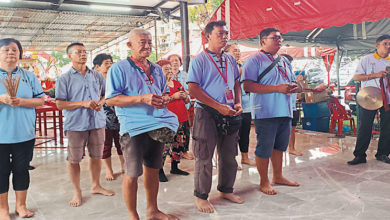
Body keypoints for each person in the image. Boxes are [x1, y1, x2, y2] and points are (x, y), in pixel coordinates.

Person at [105, 28, 179, 220]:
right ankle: (132, 215)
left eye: (149, 42)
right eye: (142, 42)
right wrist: (142, 98)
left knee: (153, 170)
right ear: (129, 45)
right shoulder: (118, 69)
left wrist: (164, 100)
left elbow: (162, 93)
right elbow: (111, 100)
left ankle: (152, 210)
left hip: (157, 124)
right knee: (132, 174)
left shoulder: (156, 69)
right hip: (133, 128)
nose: (147, 46)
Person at [187, 20, 244, 213]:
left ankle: (226, 189)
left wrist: (238, 102)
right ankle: (201, 196)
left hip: (229, 111)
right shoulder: (199, 60)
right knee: (204, 155)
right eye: (220, 34)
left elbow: (236, 82)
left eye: (226, 34)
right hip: (206, 112)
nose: (224, 37)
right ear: (208, 36)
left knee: (229, 154)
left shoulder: (230, 59)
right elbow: (193, 88)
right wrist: (218, 106)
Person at [242, 28, 300, 195]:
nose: (279, 40)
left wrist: (294, 87)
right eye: (274, 38)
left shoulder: (284, 61)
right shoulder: (254, 61)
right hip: (265, 111)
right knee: (264, 148)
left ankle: (278, 176)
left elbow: (292, 80)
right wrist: (277, 88)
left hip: (285, 110)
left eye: (280, 37)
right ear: (262, 41)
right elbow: (248, 85)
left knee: (280, 147)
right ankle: (264, 181)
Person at [55, 43, 114, 207]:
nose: (83, 54)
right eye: (78, 52)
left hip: (97, 122)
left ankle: (96, 185)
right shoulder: (64, 78)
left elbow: (105, 95)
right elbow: (60, 104)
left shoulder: (97, 76)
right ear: (70, 56)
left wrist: (101, 103)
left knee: (96, 155)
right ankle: (77, 192)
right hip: (76, 124)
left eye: (84, 51)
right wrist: (83, 103)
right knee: (74, 159)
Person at [0, 38, 45, 219]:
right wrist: (2, 99)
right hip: (0, 136)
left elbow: (40, 100)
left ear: (19, 54)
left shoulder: (28, 76)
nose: (11, 53)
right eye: (6, 50)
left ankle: (21, 205)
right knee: (0, 172)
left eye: (14, 50)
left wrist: (21, 102)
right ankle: (3, 209)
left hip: (24, 134)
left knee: (21, 170)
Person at [347, 35, 390, 165]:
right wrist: (375, 75)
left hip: (387, 97)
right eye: (385, 44)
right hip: (369, 97)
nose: (388, 47)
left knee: (387, 127)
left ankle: (383, 153)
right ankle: (360, 155)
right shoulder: (366, 59)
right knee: (365, 126)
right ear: (377, 45)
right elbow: (356, 77)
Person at [156, 59, 190, 182]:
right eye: (166, 69)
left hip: (181, 119)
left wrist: (185, 97)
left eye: (170, 69)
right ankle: (159, 170)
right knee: (165, 146)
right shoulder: (158, 85)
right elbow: (159, 101)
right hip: (167, 121)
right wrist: (173, 97)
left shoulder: (176, 83)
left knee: (179, 144)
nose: (170, 71)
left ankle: (175, 167)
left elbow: (186, 100)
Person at [93, 53, 125, 181]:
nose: (109, 65)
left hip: (120, 116)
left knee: (122, 143)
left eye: (111, 63)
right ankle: (109, 169)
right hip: (103, 119)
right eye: (106, 63)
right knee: (105, 145)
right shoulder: (95, 81)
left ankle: (124, 165)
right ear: (97, 67)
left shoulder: (117, 78)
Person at [224, 43, 256, 167]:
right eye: (234, 51)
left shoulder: (242, 65)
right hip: (231, 105)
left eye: (238, 51)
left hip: (246, 105)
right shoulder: (226, 66)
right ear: (226, 53)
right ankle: (233, 160)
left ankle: (245, 157)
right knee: (232, 134)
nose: (237, 53)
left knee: (245, 132)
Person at [168, 54, 194, 160]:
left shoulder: (185, 75)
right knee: (170, 132)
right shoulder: (165, 76)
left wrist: (185, 92)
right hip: (170, 110)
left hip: (185, 106)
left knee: (184, 131)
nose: (175, 62)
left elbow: (191, 89)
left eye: (177, 60)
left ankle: (184, 151)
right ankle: (170, 154)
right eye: (172, 61)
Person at [281, 54, 303, 156]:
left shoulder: (292, 74)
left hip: (292, 106)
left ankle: (292, 148)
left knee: (292, 129)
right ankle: (279, 149)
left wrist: (299, 82)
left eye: (290, 62)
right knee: (279, 130)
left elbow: (300, 89)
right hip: (282, 106)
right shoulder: (279, 74)